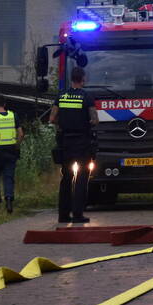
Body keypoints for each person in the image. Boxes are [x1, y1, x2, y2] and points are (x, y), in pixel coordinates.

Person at [49, 66, 98, 223]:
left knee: (66, 177)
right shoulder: (87, 97)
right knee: (82, 177)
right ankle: (78, 214)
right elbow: (94, 120)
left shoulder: (61, 96)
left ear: (71, 79)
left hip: (65, 141)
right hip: (82, 142)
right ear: (83, 79)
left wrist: (63, 124)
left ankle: (63, 215)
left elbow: (51, 118)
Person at [0, 94, 24, 214]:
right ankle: (9, 200)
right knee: (9, 177)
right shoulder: (13, 116)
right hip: (11, 150)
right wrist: (16, 145)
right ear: (5, 104)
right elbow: (21, 134)